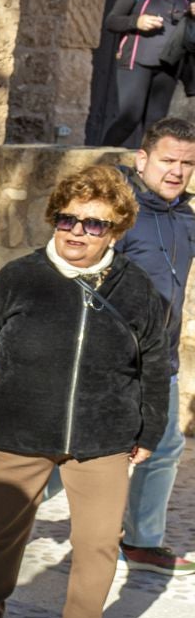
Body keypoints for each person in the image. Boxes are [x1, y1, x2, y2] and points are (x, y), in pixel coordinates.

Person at [0, 162, 170, 618]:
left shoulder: (135, 289)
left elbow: (156, 362)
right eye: (68, 219)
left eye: (94, 224)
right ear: (54, 220)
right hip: (19, 431)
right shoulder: (19, 277)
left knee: (97, 543)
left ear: (115, 229)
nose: (77, 232)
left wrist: (149, 429)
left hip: (103, 436)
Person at [115, 118, 195, 575]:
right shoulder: (117, 213)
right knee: (83, 453)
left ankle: (143, 542)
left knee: (164, 447)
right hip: (113, 364)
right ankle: (10, 516)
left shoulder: (184, 217)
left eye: (186, 164)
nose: (176, 172)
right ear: (142, 159)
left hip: (160, 362)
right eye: (167, 160)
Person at [99, 0, 192, 149]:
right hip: (136, 60)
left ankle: (146, 167)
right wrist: (137, 21)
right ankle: (99, 159)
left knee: (156, 123)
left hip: (168, 65)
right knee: (129, 117)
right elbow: (112, 21)